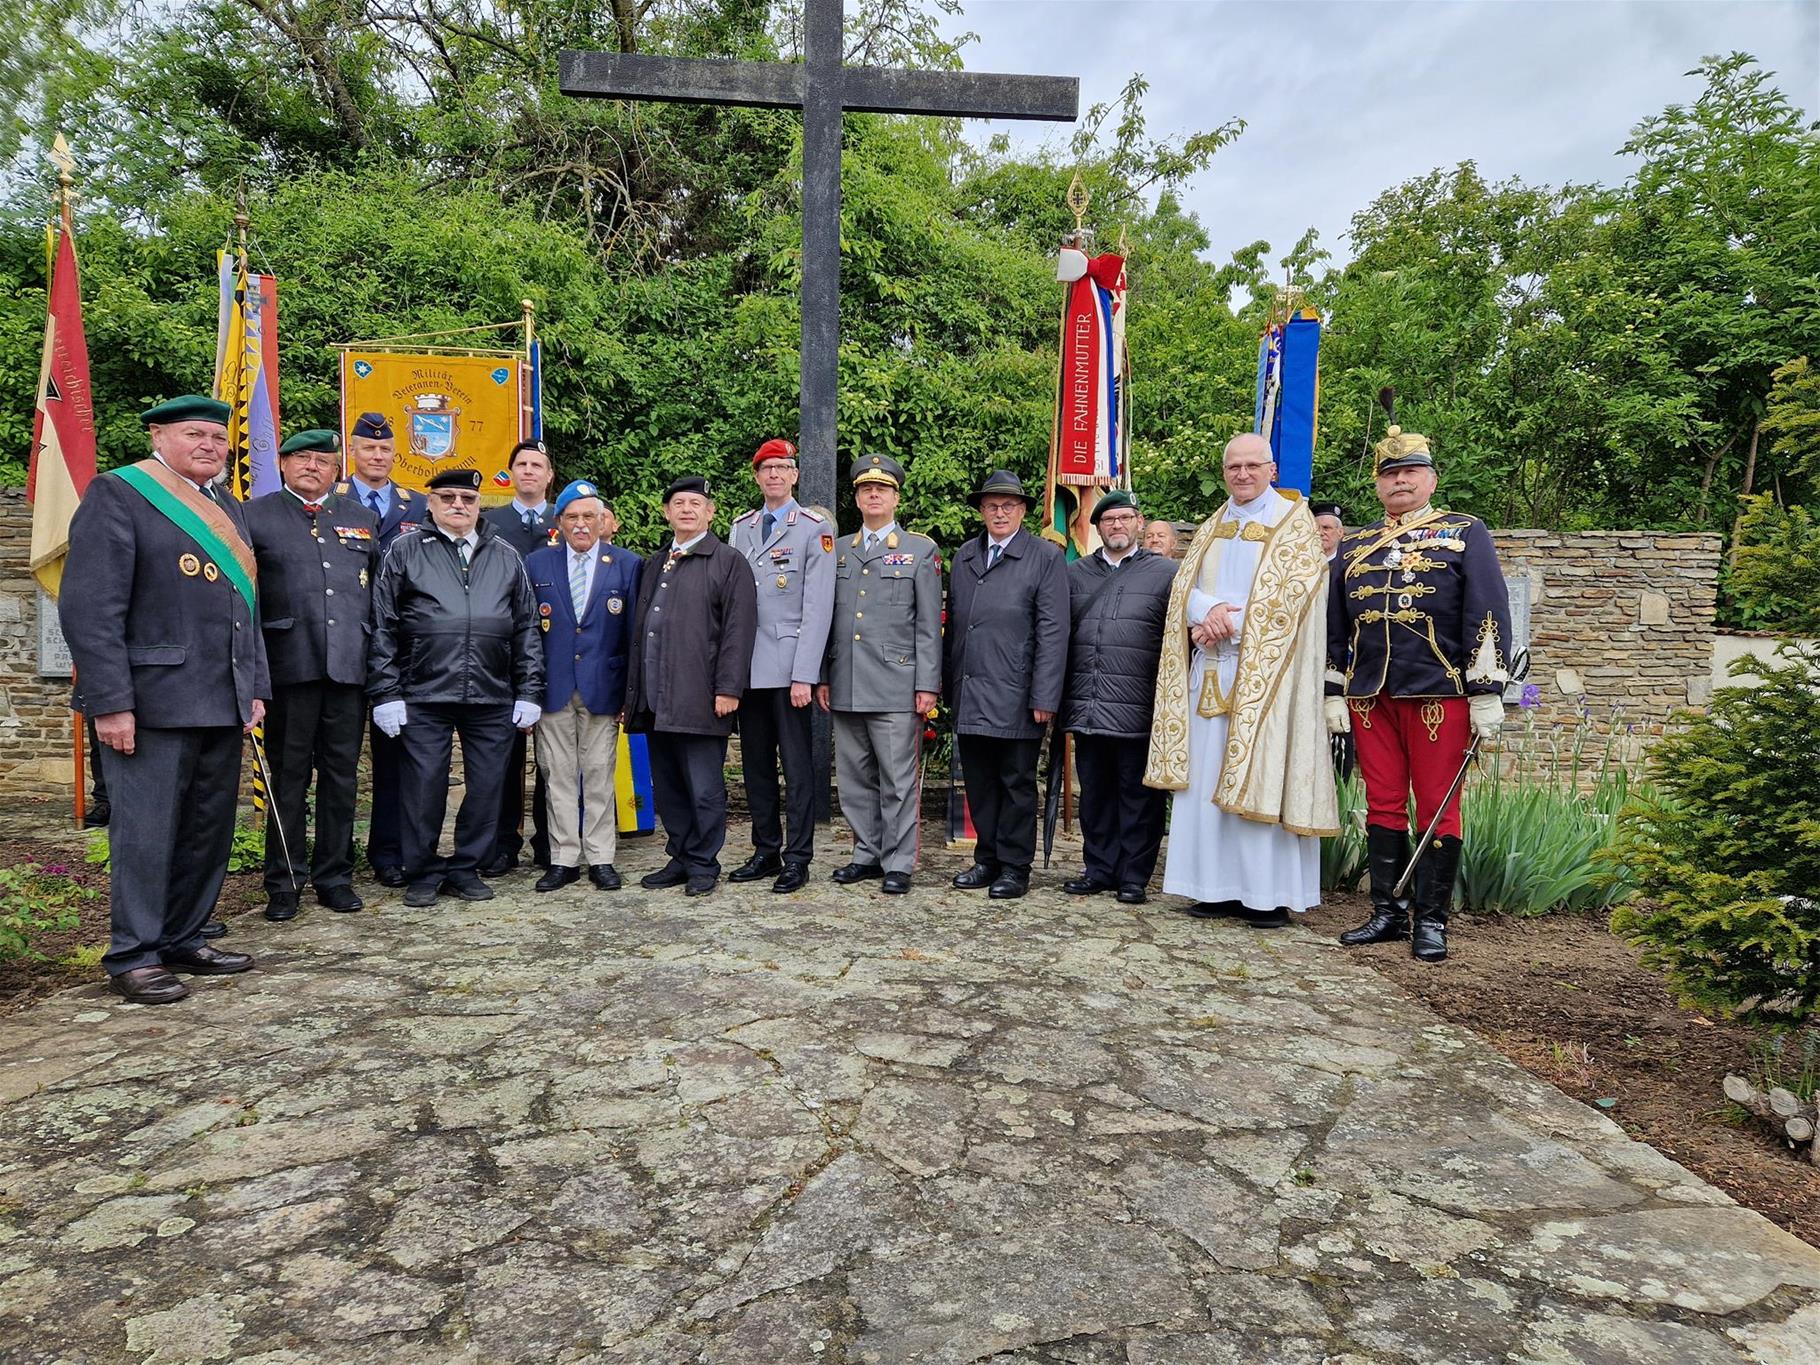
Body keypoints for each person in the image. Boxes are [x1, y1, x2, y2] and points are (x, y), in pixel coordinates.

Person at [60, 395, 268, 1004]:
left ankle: (183, 935)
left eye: (217, 437)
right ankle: (135, 954)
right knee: (145, 834)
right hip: (152, 701)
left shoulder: (225, 504)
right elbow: (92, 609)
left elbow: (245, 611)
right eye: (194, 434)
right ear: (158, 436)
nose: (209, 445)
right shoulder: (120, 494)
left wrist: (255, 687)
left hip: (221, 696)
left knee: (207, 829)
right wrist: (109, 702)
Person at [1326, 423, 1513, 962]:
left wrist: (1486, 688)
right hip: (1370, 694)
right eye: (1389, 474)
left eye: (1410, 472)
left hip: (1439, 690)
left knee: (1437, 806)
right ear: (1377, 485)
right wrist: (1333, 688)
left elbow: (1487, 609)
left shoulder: (1465, 532)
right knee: (1382, 801)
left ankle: (1431, 920)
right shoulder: (1354, 545)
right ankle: (1387, 912)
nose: (1399, 481)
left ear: (1431, 479)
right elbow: (1335, 624)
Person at [1144, 433, 1338, 928]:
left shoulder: (1294, 523)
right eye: (1234, 466)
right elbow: (1183, 586)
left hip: (1269, 682)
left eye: (1253, 465)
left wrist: (1227, 621)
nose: (1243, 474)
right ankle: (1212, 888)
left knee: (1260, 775)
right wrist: (1206, 611)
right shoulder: (1214, 524)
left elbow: (1295, 598)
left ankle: (1264, 895)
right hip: (1211, 668)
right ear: (1225, 471)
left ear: (1272, 470)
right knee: (1205, 782)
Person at [367, 467, 544, 908]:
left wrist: (529, 690)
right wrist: (386, 693)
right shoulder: (405, 550)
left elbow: (526, 627)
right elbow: (383, 625)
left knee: (487, 787)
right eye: (447, 498)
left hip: (491, 691)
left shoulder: (505, 554)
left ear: (479, 505)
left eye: (467, 499)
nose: (458, 505)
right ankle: (422, 870)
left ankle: (466, 867)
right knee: (423, 788)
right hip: (423, 690)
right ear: (431, 504)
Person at [244, 428, 379, 922]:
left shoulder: (361, 517)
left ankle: (334, 877)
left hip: (347, 668)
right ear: (282, 464)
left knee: (341, 778)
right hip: (289, 668)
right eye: (301, 458)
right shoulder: (254, 516)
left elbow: (372, 594)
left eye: (322, 460)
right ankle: (284, 882)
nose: (311, 467)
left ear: (336, 469)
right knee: (288, 779)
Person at [623, 476, 757, 896]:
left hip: (700, 696)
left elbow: (738, 630)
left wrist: (729, 688)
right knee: (668, 788)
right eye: (678, 503)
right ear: (667, 513)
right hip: (654, 698)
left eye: (695, 504)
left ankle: (703, 862)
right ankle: (680, 856)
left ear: (710, 513)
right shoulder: (653, 562)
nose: (686, 510)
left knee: (703, 789)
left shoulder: (728, 561)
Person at [817, 454, 942, 895]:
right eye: (866, 489)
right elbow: (825, 619)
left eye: (882, 489)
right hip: (847, 681)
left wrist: (927, 685)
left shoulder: (920, 550)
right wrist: (823, 675)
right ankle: (865, 854)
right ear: (856, 498)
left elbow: (928, 623)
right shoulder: (837, 549)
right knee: (854, 780)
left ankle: (899, 862)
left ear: (896, 498)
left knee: (897, 781)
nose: (874, 495)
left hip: (896, 684)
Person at [944, 470, 1069, 900]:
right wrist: (949, 689)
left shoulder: (1045, 557)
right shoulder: (965, 555)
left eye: (1009, 505)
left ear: (1022, 511)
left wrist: (1045, 695)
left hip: (1018, 694)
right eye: (992, 506)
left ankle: (1015, 866)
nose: (1000, 513)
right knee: (979, 782)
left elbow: (1053, 631)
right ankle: (987, 859)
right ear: (981, 510)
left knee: (1016, 783)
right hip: (971, 690)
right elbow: (955, 627)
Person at [726, 438, 835, 893]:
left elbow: (818, 606)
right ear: (757, 477)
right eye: (766, 468)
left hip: (790, 669)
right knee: (755, 766)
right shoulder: (741, 527)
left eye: (782, 468)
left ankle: (798, 857)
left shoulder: (813, 528)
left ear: (794, 476)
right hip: (749, 668)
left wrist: (805, 674)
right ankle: (766, 850)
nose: (774, 475)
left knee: (797, 768)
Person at [523, 479, 642, 892]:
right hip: (553, 688)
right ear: (559, 522)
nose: (581, 524)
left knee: (598, 774)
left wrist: (630, 693)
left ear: (602, 520)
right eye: (572, 517)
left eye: (589, 516)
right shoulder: (537, 563)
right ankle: (564, 858)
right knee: (556, 775)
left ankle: (601, 857)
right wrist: (528, 691)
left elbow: (633, 635)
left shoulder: (626, 564)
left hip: (603, 687)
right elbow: (526, 632)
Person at [1059, 491, 1178, 905]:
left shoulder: (1166, 573)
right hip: (1087, 704)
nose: (1117, 526)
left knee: (1139, 797)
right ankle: (1098, 869)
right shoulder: (1075, 574)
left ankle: (1133, 876)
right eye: (1109, 520)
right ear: (1097, 527)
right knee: (1095, 794)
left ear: (1139, 523)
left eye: (1125, 518)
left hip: (1139, 706)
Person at [339, 411, 420, 887]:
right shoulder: (333, 500)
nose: (376, 456)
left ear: (394, 455)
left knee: (397, 760)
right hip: (345, 645)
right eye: (368, 448)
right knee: (339, 762)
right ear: (353, 451)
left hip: (401, 651)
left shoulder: (418, 505)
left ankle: (391, 852)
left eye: (384, 449)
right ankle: (333, 860)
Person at [479, 438, 559, 874]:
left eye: (537, 465)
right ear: (510, 473)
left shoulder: (566, 519)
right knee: (503, 756)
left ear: (549, 476)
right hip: (504, 654)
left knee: (555, 756)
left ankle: (550, 840)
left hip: (557, 652)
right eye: (522, 464)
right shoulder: (490, 522)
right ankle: (503, 843)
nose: (529, 470)